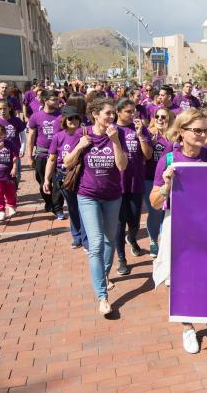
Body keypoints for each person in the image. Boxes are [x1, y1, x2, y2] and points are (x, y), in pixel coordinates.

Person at [149, 109, 207, 373]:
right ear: (182, 131)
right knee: (180, 279)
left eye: (205, 130)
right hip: (179, 225)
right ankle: (187, 327)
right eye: (197, 130)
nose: (203, 135)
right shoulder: (169, 159)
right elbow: (154, 202)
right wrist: (166, 185)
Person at [65, 97, 128, 316]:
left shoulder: (117, 134)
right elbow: (67, 163)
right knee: (96, 243)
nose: (112, 117)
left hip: (112, 196)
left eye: (113, 113)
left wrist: (116, 143)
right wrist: (80, 147)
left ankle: (104, 274)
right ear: (96, 115)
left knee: (111, 238)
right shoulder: (83, 135)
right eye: (108, 113)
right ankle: (102, 296)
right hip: (88, 195)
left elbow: (122, 166)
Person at [114, 99, 153, 276]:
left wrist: (140, 135)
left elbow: (147, 155)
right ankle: (121, 258)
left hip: (135, 181)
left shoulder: (139, 129)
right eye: (128, 111)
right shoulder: (113, 129)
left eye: (134, 111)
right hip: (116, 184)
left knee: (135, 220)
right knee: (119, 223)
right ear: (119, 112)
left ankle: (132, 238)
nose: (133, 115)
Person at [44, 106, 87, 250]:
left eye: (76, 118)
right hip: (64, 177)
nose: (73, 121)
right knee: (73, 207)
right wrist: (46, 179)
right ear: (64, 120)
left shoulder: (85, 134)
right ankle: (77, 236)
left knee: (84, 207)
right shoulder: (58, 137)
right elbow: (51, 159)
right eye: (70, 118)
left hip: (83, 175)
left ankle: (86, 237)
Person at [26, 90, 64, 219]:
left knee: (58, 183)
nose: (57, 101)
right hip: (41, 154)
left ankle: (58, 209)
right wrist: (30, 156)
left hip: (58, 156)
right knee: (43, 182)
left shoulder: (62, 116)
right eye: (53, 99)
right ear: (45, 100)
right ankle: (48, 202)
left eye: (57, 99)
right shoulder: (35, 116)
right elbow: (31, 137)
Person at [144, 107, 175, 257]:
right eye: (157, 116)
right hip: (150, 178)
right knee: (154, 211)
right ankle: (153, 240)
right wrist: (149, 142)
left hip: (170, 178)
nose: (160, 119)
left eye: (164, 117)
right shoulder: (148, 134)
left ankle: (164, 242)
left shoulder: (175, 137)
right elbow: (143, 157)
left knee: (167, 212)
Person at [0, 99, 26, 186]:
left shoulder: (16, 120)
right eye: (0, 109)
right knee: (1, 173)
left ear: (9, 108)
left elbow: (23, 136)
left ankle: (13, 190)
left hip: (14, 152)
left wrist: (22, 149)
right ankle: (3, 191)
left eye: (4, 108)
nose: (2, 111)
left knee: (16, 173)